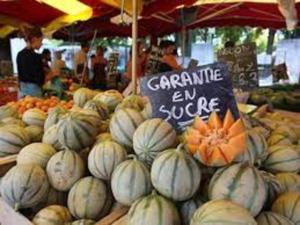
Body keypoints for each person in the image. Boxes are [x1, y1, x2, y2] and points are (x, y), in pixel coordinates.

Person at [17, 26, 45, 98]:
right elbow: (41, 80)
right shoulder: (37, 56)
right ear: (34, 39)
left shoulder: (19, 54)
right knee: (35, 109)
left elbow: (19, 76)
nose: (42, 44)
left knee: (23, 108)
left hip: (22, 90)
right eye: (41, 41)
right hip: (34, 92)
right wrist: (51, 75)